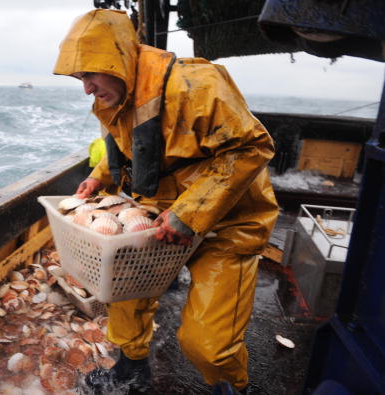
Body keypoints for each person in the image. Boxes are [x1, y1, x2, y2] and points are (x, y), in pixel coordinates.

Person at [53, 9, 279, 394]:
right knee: (124, 291)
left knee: (207, 344)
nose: (86, 89)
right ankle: (130, 369)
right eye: (80, 79)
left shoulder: (198, 85)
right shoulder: (118, 96)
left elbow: (251, 148)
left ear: (118, 60)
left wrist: (190, 214)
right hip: (159, 213)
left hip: (227, 222)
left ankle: (231, 387)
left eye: (89, 75)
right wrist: (98, 176)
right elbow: (130, 147)